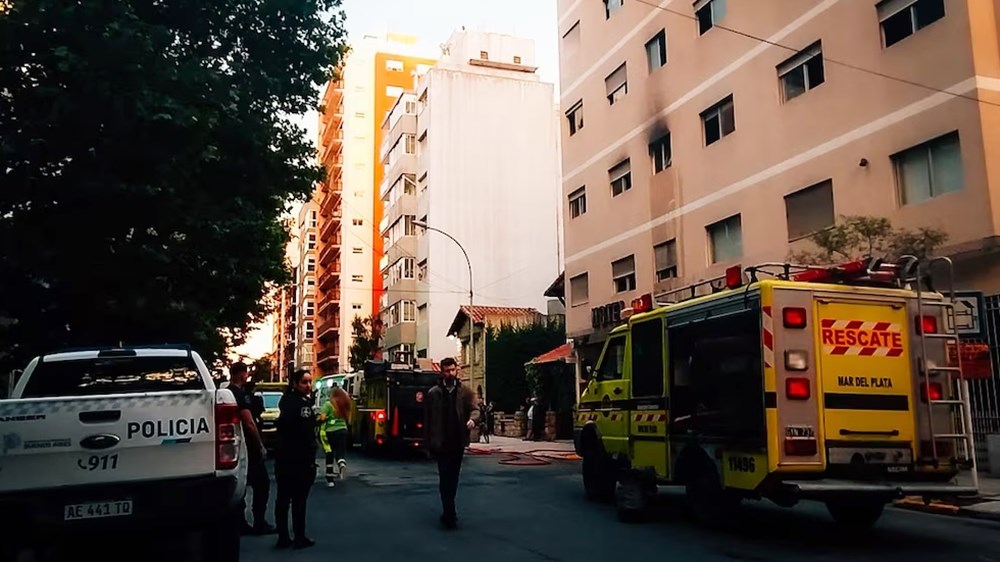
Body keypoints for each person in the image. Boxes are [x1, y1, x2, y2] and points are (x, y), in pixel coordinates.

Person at [424, 357, 479, 530]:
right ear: (442, 372)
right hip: (441, 443)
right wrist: (428, 444)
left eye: (453, 370)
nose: (450, 373)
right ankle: (449, 511)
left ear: (457, 370)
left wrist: (472, 420)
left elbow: (476, 409)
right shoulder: (433, 393)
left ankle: (449, 507)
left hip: (457, 442)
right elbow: (427, 420)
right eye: (447, 371)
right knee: (444, 477)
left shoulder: (465, 392)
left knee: (453, 478)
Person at [227, 362, 274, 535]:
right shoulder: (241, 395)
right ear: (242, 374)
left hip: (234, 446)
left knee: (241, 484)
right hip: (249, 447)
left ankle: (240, 523)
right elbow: (249, 422)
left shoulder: (227, 393)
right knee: (262, 484)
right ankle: (259, 522)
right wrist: (260, 445)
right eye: (246, 374)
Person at [274, 369, 318, 549]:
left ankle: (283, 537)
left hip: (283, 458)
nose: (308, 386)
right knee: (299, 500)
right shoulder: (302, 405)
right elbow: (306, 432)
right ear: (295, 384)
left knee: (283, 498)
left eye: (309, 382)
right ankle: (299, 536)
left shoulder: (285, 401)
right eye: (304, 382)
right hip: (299, 459)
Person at [319, 385, 351, 487]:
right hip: (342, 430)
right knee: (340, 452)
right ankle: (341, 464)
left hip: (330, 431)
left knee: (330, 453)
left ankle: (330, 479)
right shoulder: (344, 404)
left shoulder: (328, 404)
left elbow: (322, 417)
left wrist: (325, 418)